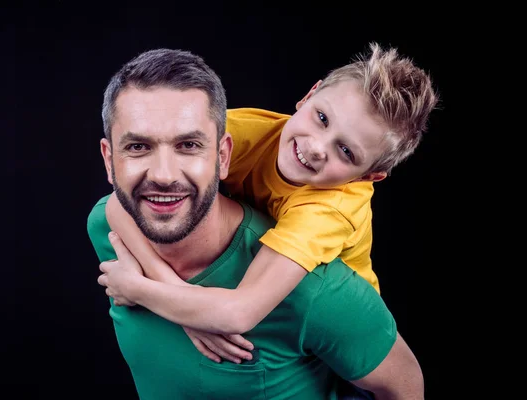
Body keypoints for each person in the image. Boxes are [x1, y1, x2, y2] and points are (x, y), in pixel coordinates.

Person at [87, 48, 425, 399]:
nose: (315, 148)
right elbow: (116, 205)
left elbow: (238, 313)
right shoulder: (245, 131)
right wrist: (185, 310)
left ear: (369, 175)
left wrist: (139, 288)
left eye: (347, 152)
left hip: (343, 344)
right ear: (310, 95)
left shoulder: (328, 211)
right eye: (322, 118)